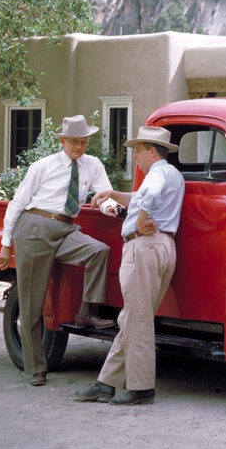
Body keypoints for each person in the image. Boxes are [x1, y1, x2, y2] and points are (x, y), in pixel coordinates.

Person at [0, 115, 118, 387]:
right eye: (75, 142)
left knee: (98, 251)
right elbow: (17, 204)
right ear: (62, 141)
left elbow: (104, 194)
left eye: (84, 142)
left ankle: (86, 311)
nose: (80, 147)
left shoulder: (93, 165)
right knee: (32, 304)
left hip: (66, 228)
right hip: (35, 228)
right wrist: (6, 244)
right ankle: (35, 368)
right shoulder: (43, 166)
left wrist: (109, 206)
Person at [74, 126, 184, 406]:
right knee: (133, 318)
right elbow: (140, 197)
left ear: (152, 150)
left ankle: (141, 387)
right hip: (164, 246)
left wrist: (138, 220)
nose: (136, 157)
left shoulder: (157, 174)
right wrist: (113, 193)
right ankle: (106, 383)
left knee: (137, 319)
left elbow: (149, 196)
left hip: (143, 246)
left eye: (138, 151)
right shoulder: (173, 175)